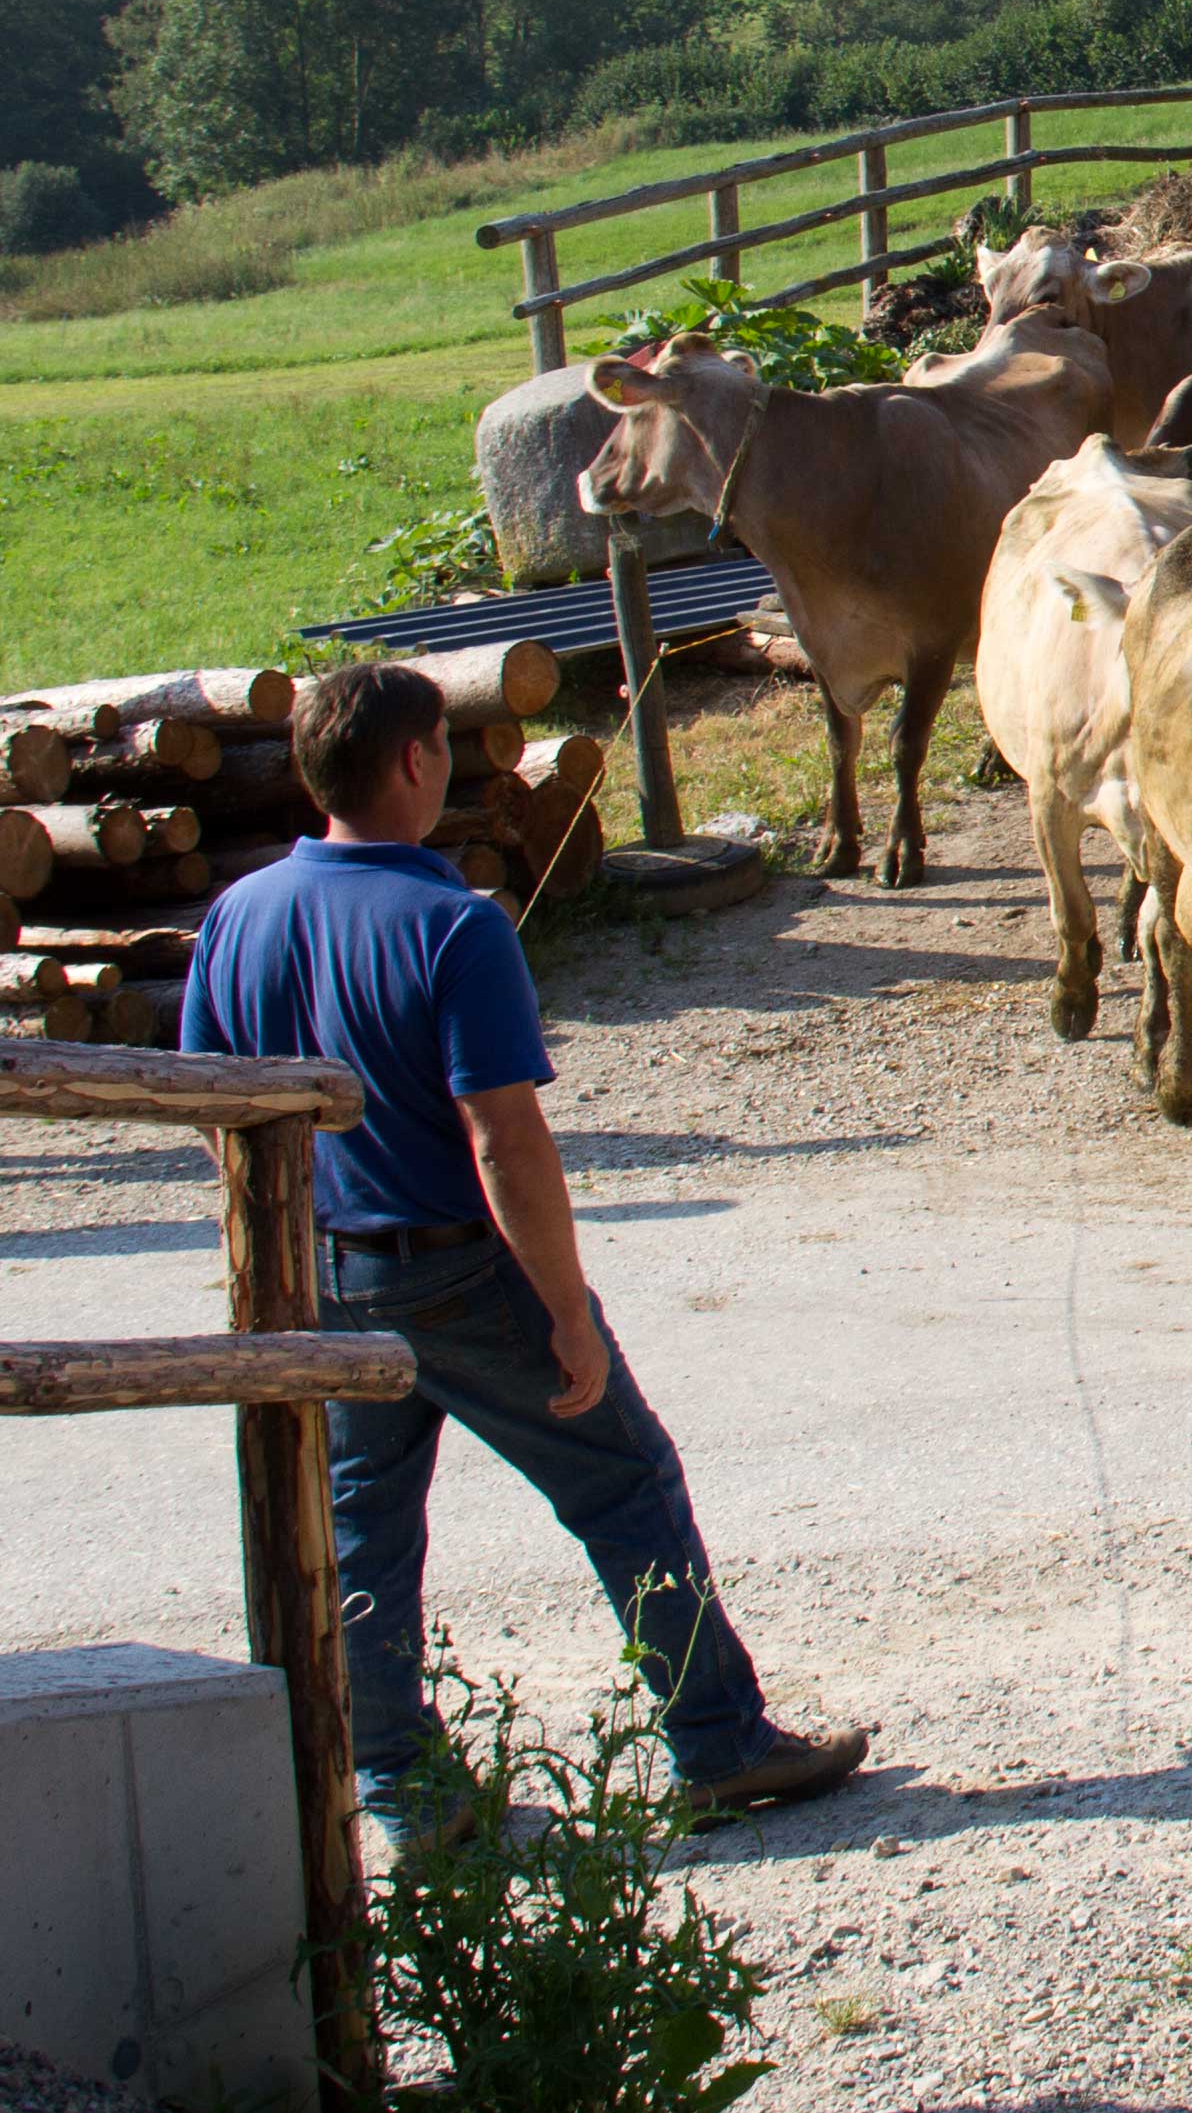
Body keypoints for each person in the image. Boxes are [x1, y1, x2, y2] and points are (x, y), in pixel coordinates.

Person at [179, 660, 869, 1825]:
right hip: (460, 1267)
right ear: (415, 760)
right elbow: (503, 1136)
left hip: (323, 1273)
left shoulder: (237, 915)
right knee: (625, 1480)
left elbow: (213, 1108)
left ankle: (399, 1785)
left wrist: (285, 1251)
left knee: (361, 1534)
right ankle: (717, 1738)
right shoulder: (454, 922)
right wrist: (564, 1309)